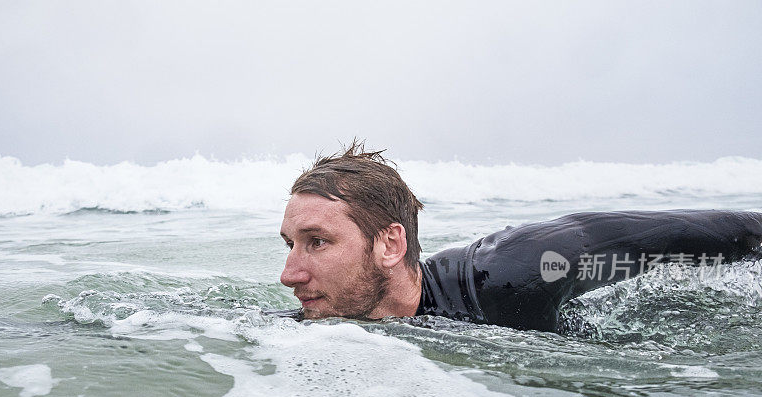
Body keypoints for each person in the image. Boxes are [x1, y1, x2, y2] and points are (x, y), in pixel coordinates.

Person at [278, 143, 762, 332]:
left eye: (317, 241)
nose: (289, 274)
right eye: (290, 244)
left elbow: (686, 234)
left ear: (390, 245)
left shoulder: (515, 269)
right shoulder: (316, 318)